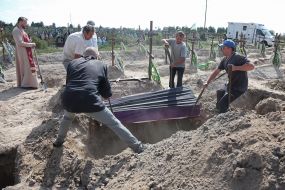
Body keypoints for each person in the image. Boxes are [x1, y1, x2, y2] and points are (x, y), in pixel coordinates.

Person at [53, 47, 145, 153]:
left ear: (83, 55)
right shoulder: (101, 65)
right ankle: (138, 147)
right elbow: (106, 93)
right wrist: (106, 95)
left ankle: (59, 141)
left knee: (67, 118)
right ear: (96, 56)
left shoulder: (72, 63)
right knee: (114, 123)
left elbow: (69, 83)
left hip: (69, 98)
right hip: (89, 100)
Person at [204, 39, 255, 113]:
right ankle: (218, 110)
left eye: (223, 48)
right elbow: (217, 71)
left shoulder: (238, 57)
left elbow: (251, 66)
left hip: (238, 87)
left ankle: (223, 115)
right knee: (220, 91)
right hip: (230, 84)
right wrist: (207, 82)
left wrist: (236, 68)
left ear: (229, 48)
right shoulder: (225, 59)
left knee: (223, 103)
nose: (221, 50)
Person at [12, 17, 38, 89]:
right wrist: (31, 44)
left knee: (30, 67)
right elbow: (20, 43)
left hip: (27, 52)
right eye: (25, 22)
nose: (26, 24)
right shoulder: (16, 30)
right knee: (26, 68)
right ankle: (26, 84)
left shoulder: (22, 30)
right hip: (22, 53)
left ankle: (31, 83)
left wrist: (29, 41)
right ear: (20, 22)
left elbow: (25, 41)